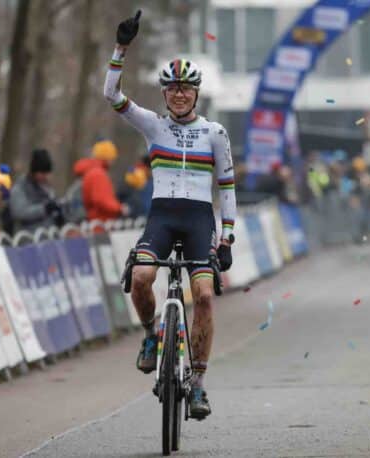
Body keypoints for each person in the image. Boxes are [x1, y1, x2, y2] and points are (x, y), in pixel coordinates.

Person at [104, 10, 236, 419]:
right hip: (161, 217)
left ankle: (197, 385)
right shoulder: (153, 126)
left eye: (186, 89)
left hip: (198, 222)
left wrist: (227, 237)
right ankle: (149, 336)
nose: (180, 95)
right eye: (173, 88)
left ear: (196, 94)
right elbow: (112, 95)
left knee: (205, 298)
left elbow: (227, 187)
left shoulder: (215, 133)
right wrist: (121, 48)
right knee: (142, 278)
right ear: (165, 94)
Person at [9, 148, 64, 232]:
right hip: (28, 237)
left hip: (47, 236)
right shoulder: (20, 187)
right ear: (34, 171)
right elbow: (19, 212)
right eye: (42, 173)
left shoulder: (47, 188)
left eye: (47, 173)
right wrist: (44, 209)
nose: (45, 176)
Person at [73, 140, 129, 222]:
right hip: (100, 222)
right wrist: (120, 208)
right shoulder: (98, 174)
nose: (113, 160)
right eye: (112, 157)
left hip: (94, 220)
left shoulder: (91, 171)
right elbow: (101, 200)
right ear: (107, 157)